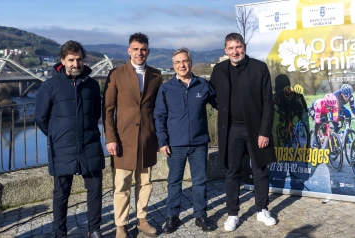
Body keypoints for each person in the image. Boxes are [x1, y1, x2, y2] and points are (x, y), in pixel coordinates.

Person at [35, 40, 104, 238]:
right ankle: (60, 233)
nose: (76, 64)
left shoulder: (91, 84)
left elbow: (95, 112)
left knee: (95, 189)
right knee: (61, 193)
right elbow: (40, 118)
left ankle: (95, 229)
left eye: (79, 59)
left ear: (84, 60)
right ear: (62, 60)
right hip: (62, 148)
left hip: (89, 144)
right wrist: (57, 136)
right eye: (71, 60)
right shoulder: (50, 86)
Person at [210, 33, 277, 232]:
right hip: (230, 129)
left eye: (237, 47)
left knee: (260, 170)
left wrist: (264, 132)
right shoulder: (219, 70)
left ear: (244, 47)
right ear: (225, 51)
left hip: (256, 129)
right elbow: (213, 96)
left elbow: (268, 103)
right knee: (231, 172)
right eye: (230, 48)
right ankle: (232, 214)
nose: (235, 51)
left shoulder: (259, 68)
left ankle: (262, 209)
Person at [103, 33, 162, 238]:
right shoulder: (116, 74)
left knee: (145, 182)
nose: (139, 52)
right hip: (123, 140)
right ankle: (121, 224)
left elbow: (157, 109)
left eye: (143, 49)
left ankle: (142, 219)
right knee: (122, 185)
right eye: (135, 49)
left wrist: (158, 137)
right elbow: (108, 109)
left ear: (148, 51)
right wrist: (110, 138)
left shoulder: (156, 75)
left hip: (147, 137)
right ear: (129, 50)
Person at [154, 48, 217, 234]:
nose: (182, 65)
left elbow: (220, 103)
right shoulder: (166, 88)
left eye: (185, 61)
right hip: (175, 145)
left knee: (200, 181)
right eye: (177, 62)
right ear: (173, 65)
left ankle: (201, 215)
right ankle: (172, 216)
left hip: (199, 143)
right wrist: (162, 141)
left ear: (190, 62)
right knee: (174, 181)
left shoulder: (203, 85)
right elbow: (159, 116)